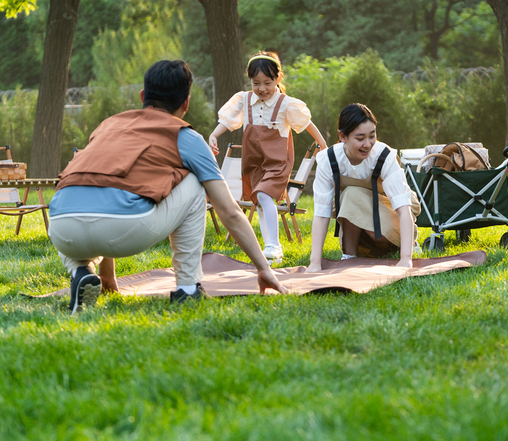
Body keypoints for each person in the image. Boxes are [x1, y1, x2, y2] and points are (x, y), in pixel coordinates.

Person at [49, 60, 287, 314]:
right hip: (124, 228)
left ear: (143, 96)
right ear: (186, 102)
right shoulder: (185, 136)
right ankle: (187, 288)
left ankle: (81, 271)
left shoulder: (107, 126)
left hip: (61, 227)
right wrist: (263, 268)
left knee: (105, 185)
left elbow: (105, 182)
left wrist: (108, 278)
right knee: (196, 182)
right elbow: (229, 211)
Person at [208, 51, 327, 264]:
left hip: (277, 162)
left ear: (278, 79)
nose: (262, 88)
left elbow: (306, 123)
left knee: (263, 195)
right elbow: (229, 120)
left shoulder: (286, 104)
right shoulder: (243, 100)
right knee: (261, 201)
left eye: (267, 82)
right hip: (253, 160)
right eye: (256, 83)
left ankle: (274, 245)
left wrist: (322, 143)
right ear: (250, 81)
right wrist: (214, 135)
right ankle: (272, 248)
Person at [306, 103, 419, 273]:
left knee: (353, 195)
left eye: (372, 136)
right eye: (360, 138)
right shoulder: (328, 160)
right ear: (343, 136)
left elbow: (404, 209)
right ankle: (349, 257)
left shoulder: (383, 156)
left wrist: (406, 259)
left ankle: (408, 242)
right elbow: (321, 213)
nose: (368, 144)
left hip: (390, 213)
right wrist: (315, 263)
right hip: (356, 221)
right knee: (350, 194)